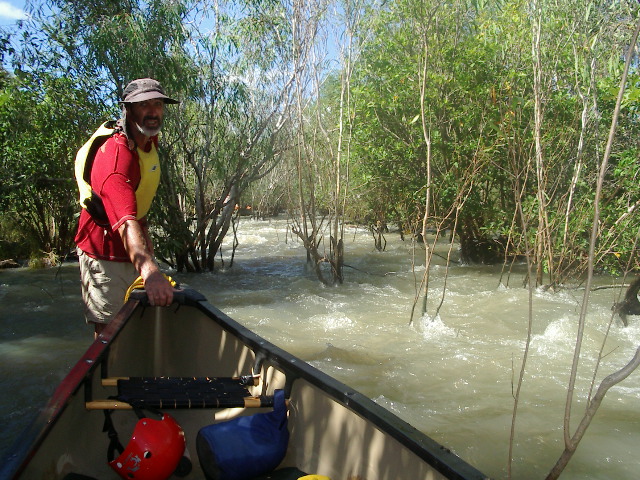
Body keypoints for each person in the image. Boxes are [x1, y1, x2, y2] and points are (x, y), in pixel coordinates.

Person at [74, 78, 179, 337]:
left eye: (157, 104)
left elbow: (139, 213)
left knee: (138, 328)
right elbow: (125, 221)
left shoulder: (147, 142)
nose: (153, 111)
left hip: (132, 245)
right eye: (144, 105)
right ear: (129, 110)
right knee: (110, 333)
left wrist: (150, 259)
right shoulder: (115, 156)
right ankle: (106, 374)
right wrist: (150, 272)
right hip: (102, 253)